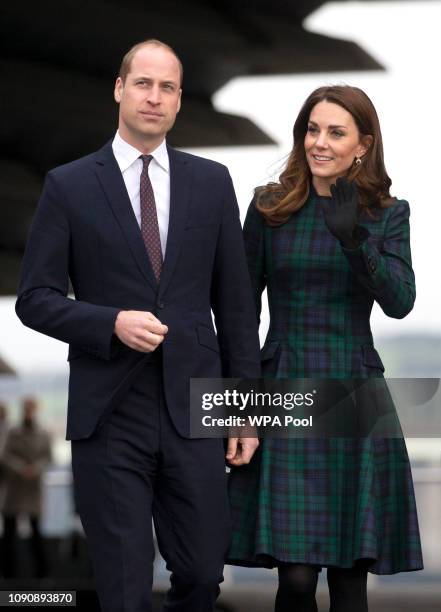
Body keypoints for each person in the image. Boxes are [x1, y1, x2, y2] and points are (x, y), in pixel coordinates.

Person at [15, 39, 260, 612]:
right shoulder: (69, 185)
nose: (154, 97)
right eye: (143, 84)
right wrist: (110, 322)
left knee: (202, 575)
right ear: (120, 89)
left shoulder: (212, 182)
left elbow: (238, 307)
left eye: (167, 87)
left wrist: (244, 410)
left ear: (179, 102)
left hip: (196, 409)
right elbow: (34, 299)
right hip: (108, 411)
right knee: (122, 590)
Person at [227, 85, 423, 612]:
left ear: (363, 143)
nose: (319, 142)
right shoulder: (269, 207)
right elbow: (241, 314)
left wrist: (355, 240)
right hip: (283, 385)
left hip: (353, 387)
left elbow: (401, 302)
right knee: (293, 577)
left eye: (335, 132)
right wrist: (238, 410)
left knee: (348, 576)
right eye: (312, 129)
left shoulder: (387, 213)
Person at [1, 397, 52, 578]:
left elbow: (47, 458)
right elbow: (5, 455)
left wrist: (34, 469)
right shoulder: (13, 432)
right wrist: (21, 468)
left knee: (36, 532)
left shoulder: (43, 433)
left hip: (31, 489)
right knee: (9, 533)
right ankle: (8, 574)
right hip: (15, 488)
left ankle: (41, 573)